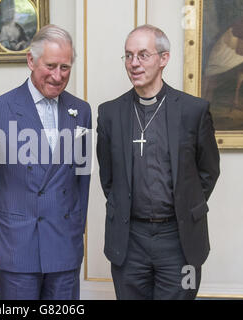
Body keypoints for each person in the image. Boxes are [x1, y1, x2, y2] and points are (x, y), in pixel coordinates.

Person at [97, 24, 220, 300]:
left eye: (143, 55)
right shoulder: (109, 114)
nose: (134, 63)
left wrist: (186, 206)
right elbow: (108, 179)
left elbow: (209, 171)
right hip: (130, 240)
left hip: (179, 240)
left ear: (164, 59)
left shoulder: (193, 111)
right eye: (128, 56)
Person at [0, 24, 92, 300]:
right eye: (50, 65)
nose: (58, 76)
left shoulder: (81, 112)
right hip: (15, 246)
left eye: (65, 67)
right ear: (30, 60)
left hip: (63, 246)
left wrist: (76, 230)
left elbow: (82, 180)